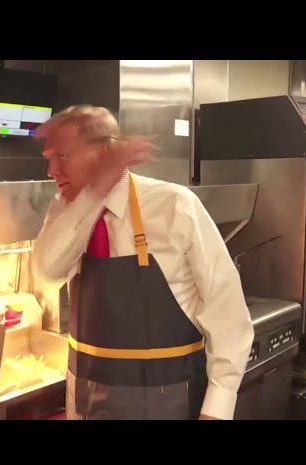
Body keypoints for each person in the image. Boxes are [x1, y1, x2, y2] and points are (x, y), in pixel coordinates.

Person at [32, 105, 254, 420]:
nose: (52, 171)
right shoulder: (66, 211)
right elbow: (46, 269)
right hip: (85, 401)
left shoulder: (174, 205)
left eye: (62, 157)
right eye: (49, 159)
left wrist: (218, 407)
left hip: (168, 400)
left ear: (105, 152)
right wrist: (95, 195)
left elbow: (227, 312)